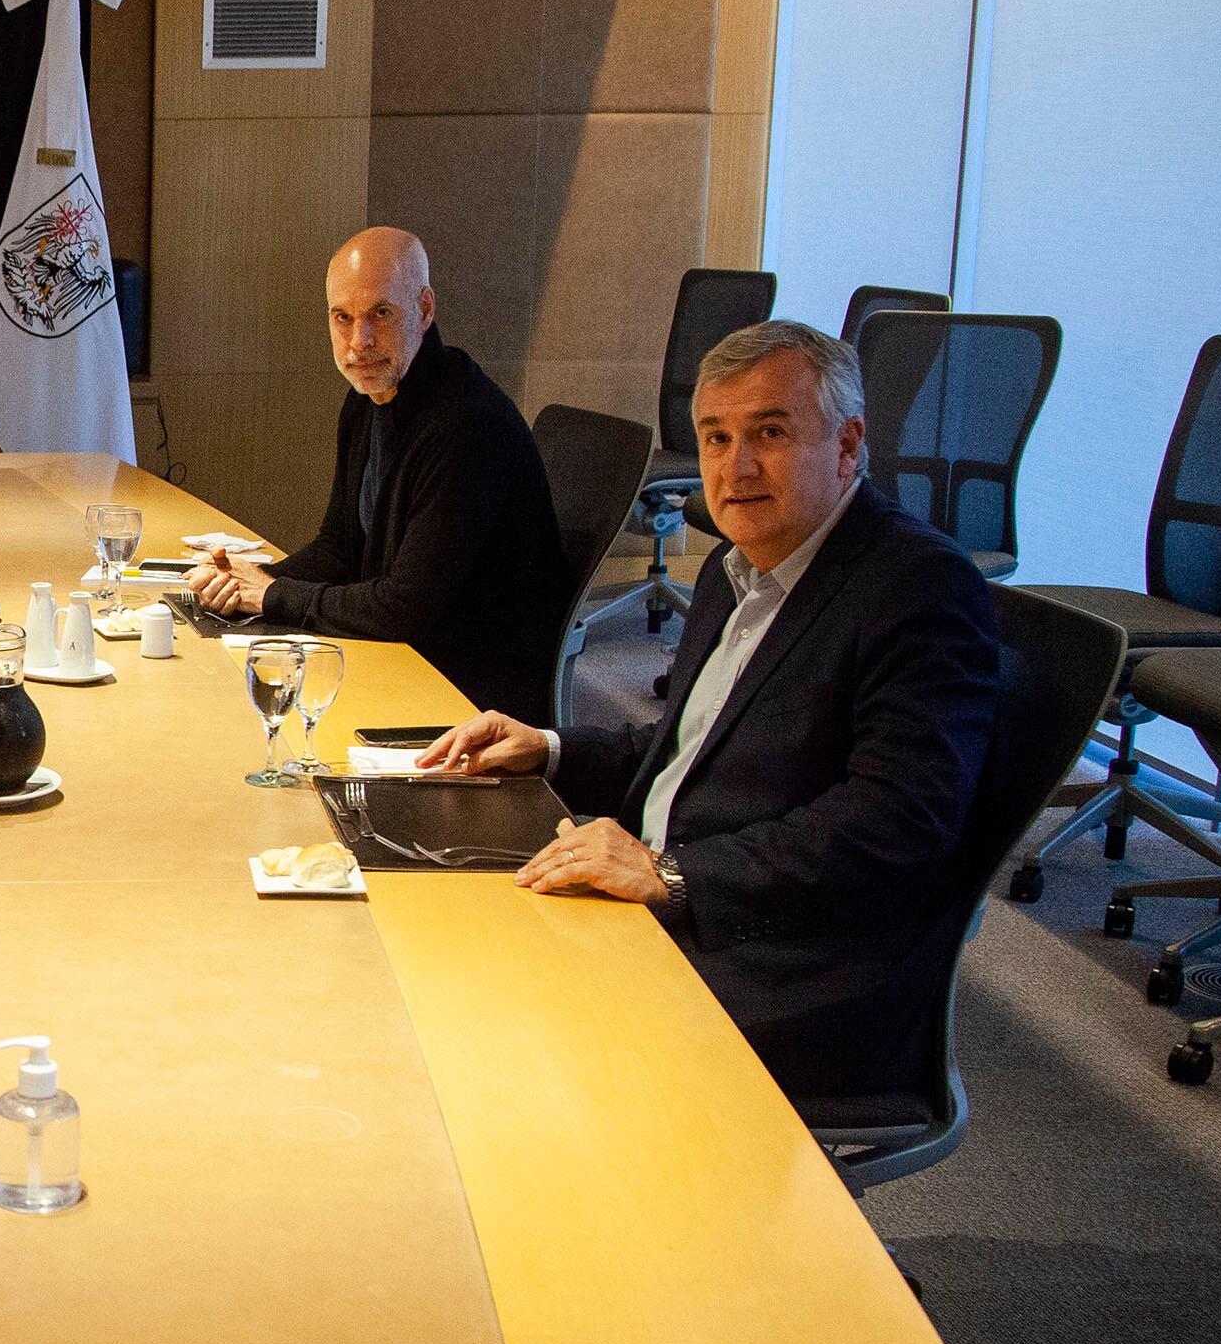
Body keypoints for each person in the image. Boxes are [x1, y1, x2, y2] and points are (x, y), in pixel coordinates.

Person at [415, 321, 1000, 1107]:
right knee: (433, 928)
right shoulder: (738, 566)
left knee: (491, 1031)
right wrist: (549, 747)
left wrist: (671, 875)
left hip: (787, 959)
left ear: (848, 444)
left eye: (770, 432)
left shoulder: (916, 588)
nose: (738, 466)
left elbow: (893, 823)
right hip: (676, 900)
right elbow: (690, 749)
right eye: (716, 438)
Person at [184, 227, 570, 718]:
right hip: (400, 657)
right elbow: (340, 546)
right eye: (342, 318)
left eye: (380, 315)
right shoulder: (366, 399)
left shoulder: (467, 423)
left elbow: (404, 611)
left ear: (425, 310)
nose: (358, 342)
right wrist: (249, 582)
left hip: (465, 696)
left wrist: (274, 594)